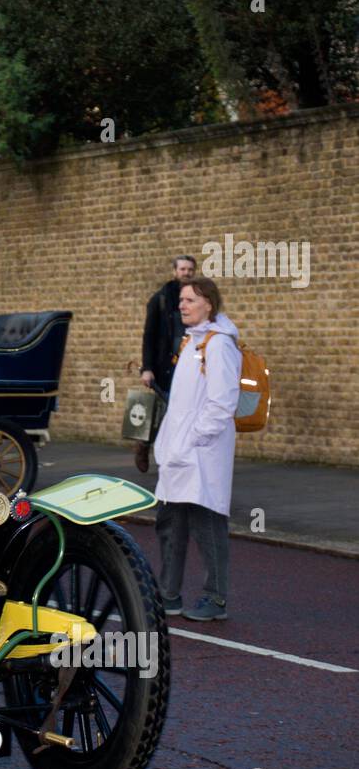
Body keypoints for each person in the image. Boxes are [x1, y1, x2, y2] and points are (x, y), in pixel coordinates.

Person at [153, 277, 241, 622]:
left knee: (208, 525)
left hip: (201, 453)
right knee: (170, 523)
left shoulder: (219, 345)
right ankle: (168, 594)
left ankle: (215, 598)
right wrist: (172, 444)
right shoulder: (191, 341)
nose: (182, 305)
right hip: (180, 452)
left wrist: (195, 440)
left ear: (208, 303)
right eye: (181, 300)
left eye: (189, 300)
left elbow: (222, 402)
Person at [135, 254, 196, 473]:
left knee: (181, 413)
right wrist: (147, 368)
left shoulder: (198, 298)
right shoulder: (160, 299)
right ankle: (145, 443)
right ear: (175, 271)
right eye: (183, 269)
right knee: (164, 412)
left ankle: (175, 461)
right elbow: (148, 335)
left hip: (190, 365)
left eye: (190, 269)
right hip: (165, 367)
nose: (186, 273)